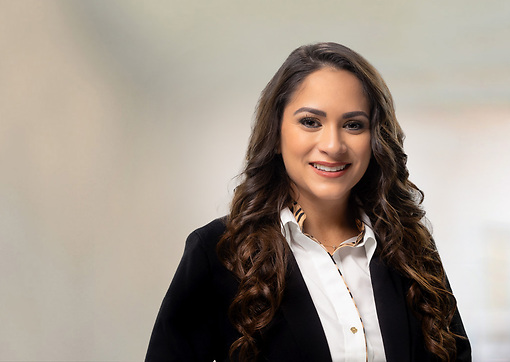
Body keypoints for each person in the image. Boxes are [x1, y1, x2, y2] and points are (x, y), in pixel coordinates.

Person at [146, 42, 471, 362]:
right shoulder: (217, 251)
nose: (333, 145)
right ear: (275, 134)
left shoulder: (411, 248)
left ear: (374, 140)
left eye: (353, 124)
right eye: (310, 122)